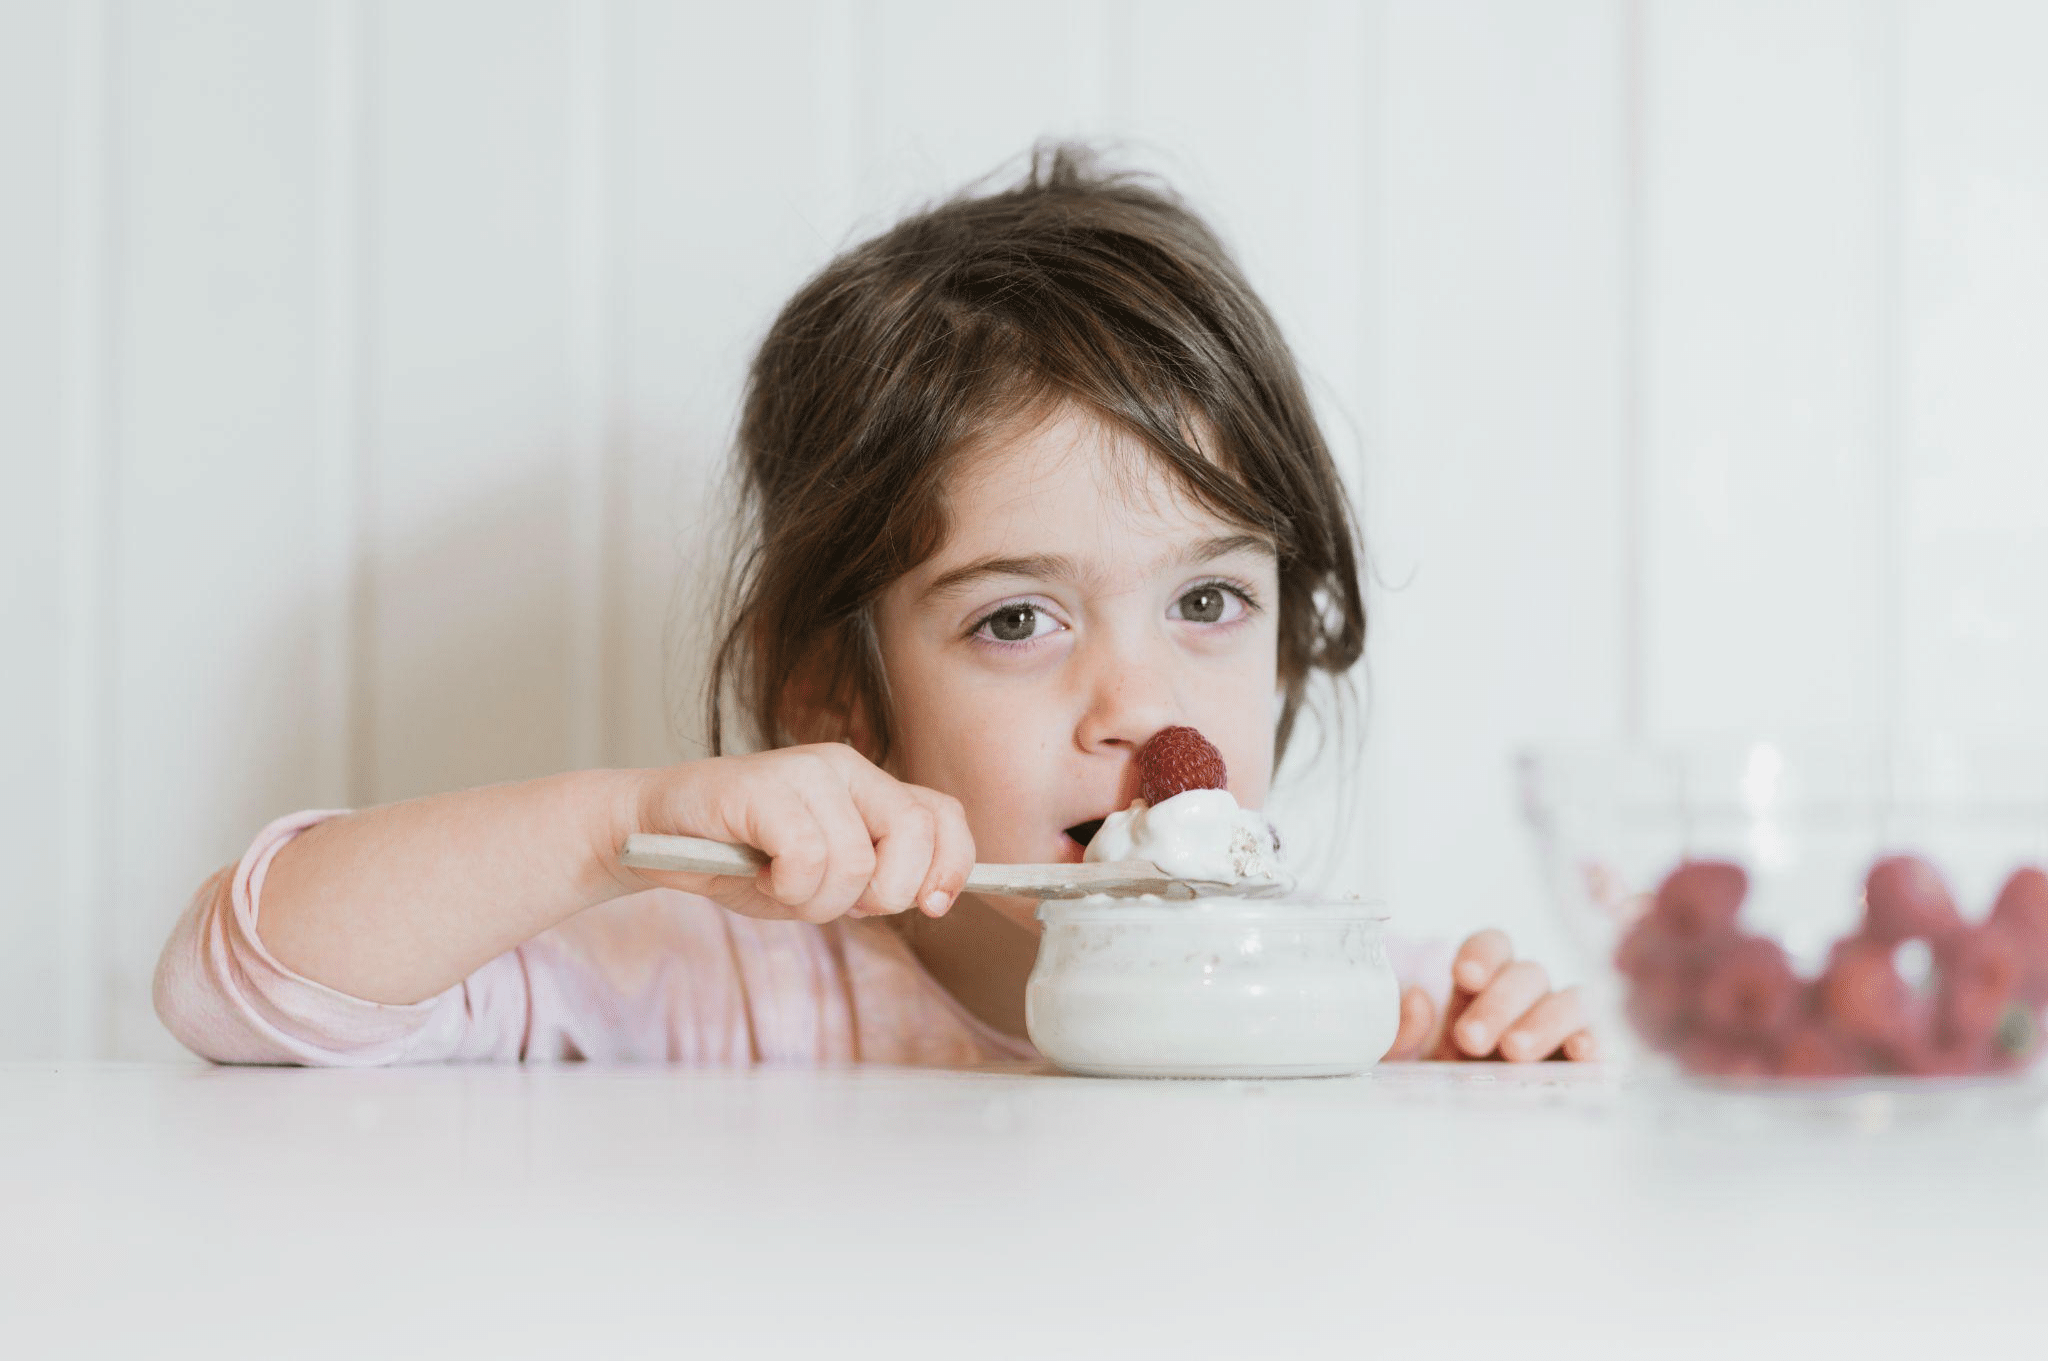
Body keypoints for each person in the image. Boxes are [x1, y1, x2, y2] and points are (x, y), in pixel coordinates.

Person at [154, 144, 1594, 1069]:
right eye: (1017, 621)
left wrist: (1482, 1107)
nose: (1143, 711)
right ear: (834, 695)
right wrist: (618, 827)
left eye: (1209, 598)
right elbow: (241, 981)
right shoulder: (710, 990)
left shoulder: (1365, 1012)